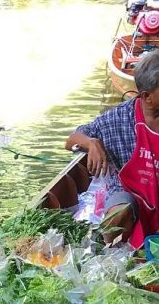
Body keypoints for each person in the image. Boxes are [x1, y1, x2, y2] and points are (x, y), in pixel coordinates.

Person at [66, 49, 159, 247]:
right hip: (131, 197)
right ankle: (109, 254)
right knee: (120, 211)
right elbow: (72, 139)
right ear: (147, 96)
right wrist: (91, 143)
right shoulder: (118, 119)